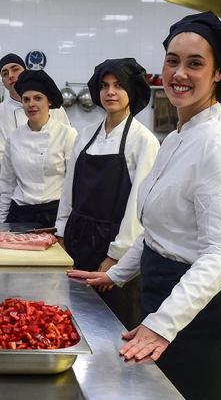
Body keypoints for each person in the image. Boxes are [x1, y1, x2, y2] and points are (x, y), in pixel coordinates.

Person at [68, 11, 221, 400]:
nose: (180, 73)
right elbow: (158, 228)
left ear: (217, 75)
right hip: (167, 289)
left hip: (212, 305)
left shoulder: (220, 143)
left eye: (195, 64)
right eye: (173, 61)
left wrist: (162, 324)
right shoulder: (178, 136)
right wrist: (117, 273)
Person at [55, 58, 159, 330]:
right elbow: (69, 189)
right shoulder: (86, 135)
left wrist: (116, 256)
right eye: (104, 85)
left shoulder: (143, 140)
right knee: (75, 318)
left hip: (114, 245)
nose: (110, 92)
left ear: (132, 91)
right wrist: (62, 234)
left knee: (114, 322)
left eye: (118, 86)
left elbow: (139, 204)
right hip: (79, 239)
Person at [0, 53, 69, 221]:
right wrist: (26, 175)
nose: (10, 75)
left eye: (15, 69)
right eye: (4, 73)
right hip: (15, 193)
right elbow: (0, 160)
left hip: (52, 198)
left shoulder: (58, 113)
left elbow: (67, 157)